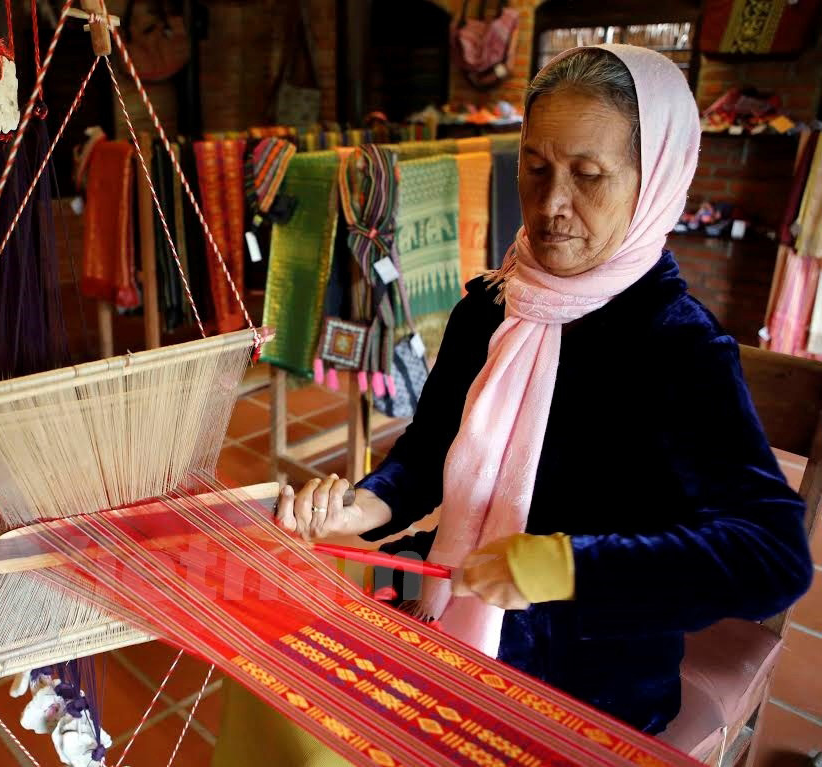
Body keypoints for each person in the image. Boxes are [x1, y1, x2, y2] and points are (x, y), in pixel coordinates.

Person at [271, 43, 814, 739]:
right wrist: (361, 505)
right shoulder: (491, 307)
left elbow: (769, 556)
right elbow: (428, 449)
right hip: (457, 636)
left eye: (588, 175)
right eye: (535, 169)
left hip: (595, 687)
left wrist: (562, 567)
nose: (552, 204)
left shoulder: (674, 344)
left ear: (653, 182)